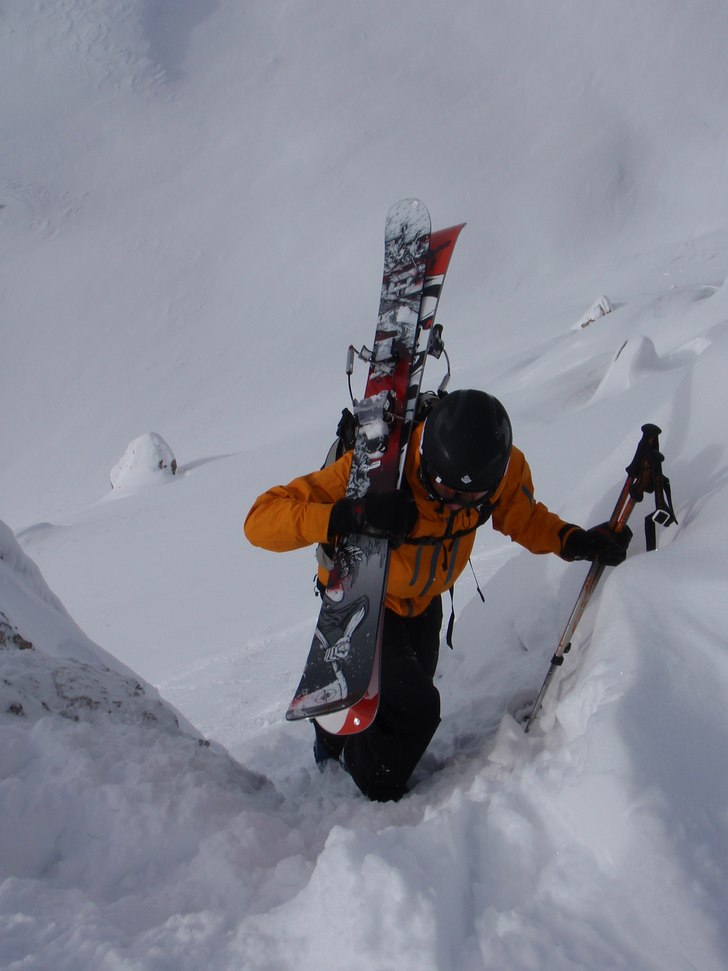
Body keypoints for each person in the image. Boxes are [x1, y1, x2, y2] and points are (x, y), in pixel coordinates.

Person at [244, 389, 630, 801]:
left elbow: (522, 515)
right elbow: (261, 520)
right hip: (365, 602)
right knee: (416, 712)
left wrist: (572, 541)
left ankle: (347, 747)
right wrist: (349, 514)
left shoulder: (496, 470)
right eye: (444, 493)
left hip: (424, 603)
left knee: (399, 701)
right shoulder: (379, 469)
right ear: (426, 459)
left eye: (470, 500)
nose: (454, 507)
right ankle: (359, 782)